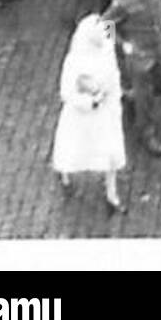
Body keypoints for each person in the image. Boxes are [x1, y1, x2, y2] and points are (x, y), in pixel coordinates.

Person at [51, 14, 127, 214]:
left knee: (110, 153)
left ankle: (112, 194)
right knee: (73, 149)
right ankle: (65, 174)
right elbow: (66, 93)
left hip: (106, 114)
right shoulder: (74, 61)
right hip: (82, 117)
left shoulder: (106, 43)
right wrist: (90, 102)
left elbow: (114, 71)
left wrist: (114, 99)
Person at [102, 0, 161, 156]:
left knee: (160, 89)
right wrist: (124, 45)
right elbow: (106, 25)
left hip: (159, 49)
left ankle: (138, 104)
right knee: (144, 96)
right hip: (141, 57)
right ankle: (147, 132)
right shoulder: (123, 2)